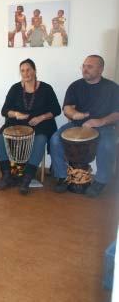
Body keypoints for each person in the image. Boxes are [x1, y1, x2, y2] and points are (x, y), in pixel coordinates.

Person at [50, 55, 119, 197]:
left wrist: (99, 122)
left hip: (104, 126)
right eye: (84, 66)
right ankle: (62, 176)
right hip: (77, 124)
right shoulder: (75, 86)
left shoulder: (112, 88)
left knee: (107, 144)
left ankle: (100, 180)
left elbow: (116, 113)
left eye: (90, 66)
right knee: (55, 139)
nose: (85, 69)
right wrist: (74, 114)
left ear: (100, 69)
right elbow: (67, 108)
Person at [0, 59, 61, 195]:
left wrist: (41, 117)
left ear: (34, 71)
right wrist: (16, 114)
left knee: (41, 139)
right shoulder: (15, 88)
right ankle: (6, 174)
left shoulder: (46, 88)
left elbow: (56, 110)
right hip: (17, 123)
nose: (26, 73)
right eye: (22, 70)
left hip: (39, 124)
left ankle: (27, 178)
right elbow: (4, 110)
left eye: (28, 69)